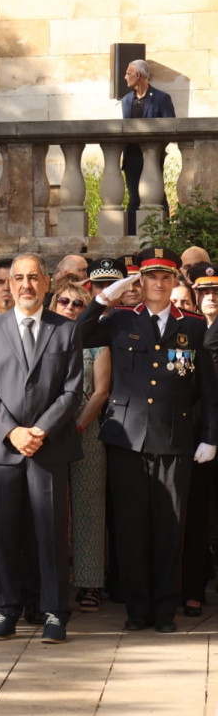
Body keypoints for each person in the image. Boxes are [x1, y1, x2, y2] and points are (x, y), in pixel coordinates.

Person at [83, 247, 217, 633]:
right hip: (128, 440)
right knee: (130, 528)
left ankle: (164, 610)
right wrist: (104, 298)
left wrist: (210, 436)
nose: (158, 283)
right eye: (151, 276)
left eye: (165, 276)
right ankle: (137, 609)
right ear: (139, 281)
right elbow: (78, 334)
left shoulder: (192, 326)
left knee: (170, 528)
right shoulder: (119, 319)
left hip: (175, 441)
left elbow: (207, 390)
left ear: (175, 280)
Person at [0, 254, 83, 644]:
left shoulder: (66, 330)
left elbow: (73, 390)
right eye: (17, 278)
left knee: (51, 532)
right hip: (2, 448)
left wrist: (38, 430)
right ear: (8, 284)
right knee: (2, 532)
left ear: (46, 282)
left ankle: (54, 611)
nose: (24, 285)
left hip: (48, 446)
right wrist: (12, 432)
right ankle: (4, 611)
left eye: (32, 277)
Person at [52, 279, 109, 615]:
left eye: (78, 304)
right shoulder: (44, 340)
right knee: (51, 509)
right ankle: (55, 577)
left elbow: (101, 391)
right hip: (49, 431)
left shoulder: (98, 341)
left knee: (89, 507)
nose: (70, 308)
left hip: (85, 429)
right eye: (63, 301)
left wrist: (78, 425)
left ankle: (90, 582)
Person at [182, 263, 218, 617]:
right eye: (205, 292)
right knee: (194, 516)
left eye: (217, 292)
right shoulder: (188, 329)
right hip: (196, 434)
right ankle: (192, 587)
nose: (211, 298)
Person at [120, 59, 175, 236]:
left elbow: (171, 128)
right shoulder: (127, 100)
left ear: (138, 75)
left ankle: (164, 234)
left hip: (152, 157)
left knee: (157, 196)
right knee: (134, 197)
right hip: (132, 157)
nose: (125, 77)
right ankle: (132, 237)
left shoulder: (162, 98)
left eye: (128, 73)